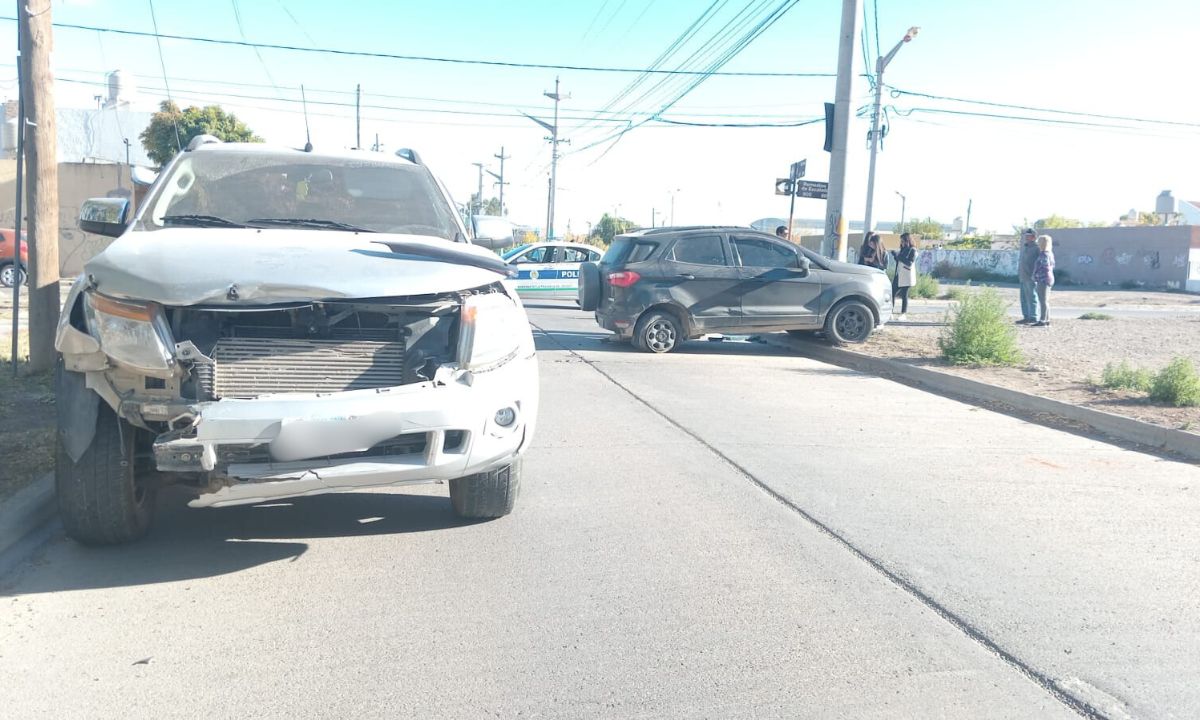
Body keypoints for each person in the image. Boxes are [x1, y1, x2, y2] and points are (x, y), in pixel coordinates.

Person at [889, 233, 917, 320]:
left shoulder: (913, 250)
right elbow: (899, 260)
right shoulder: (903, 249)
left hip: (906, 275)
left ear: (907, 240)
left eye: (903, 241)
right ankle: (890, 312)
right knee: (892, 292)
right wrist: (895, 256)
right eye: (901, 241)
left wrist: (898, 256)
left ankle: (903, 314)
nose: (902, 242)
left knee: (904, 295)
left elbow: (909, 263)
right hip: (899, 274)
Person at [1017, 228, 1040, 325]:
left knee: (1032, 297)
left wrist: (1036, 275)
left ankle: (1033, 317)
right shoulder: (1025, 247)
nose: (1026, 237)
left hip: (1031, 277)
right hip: (1023, 276)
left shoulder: (1037, 248)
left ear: (1034, 237)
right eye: (1025, 235)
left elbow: (1039, 263)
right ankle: (1026, 316)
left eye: (1028, 236)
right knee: (1023, 298)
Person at [1033, 234, 1055, 327]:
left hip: (1043, 279)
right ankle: (1047, 320)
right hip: (1049, 278)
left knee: (1043, 301)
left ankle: (1042, 321)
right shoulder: (1050, 253)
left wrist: (1036, 275)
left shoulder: (1043, 254)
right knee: (1045, 301)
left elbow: (1044, 268)